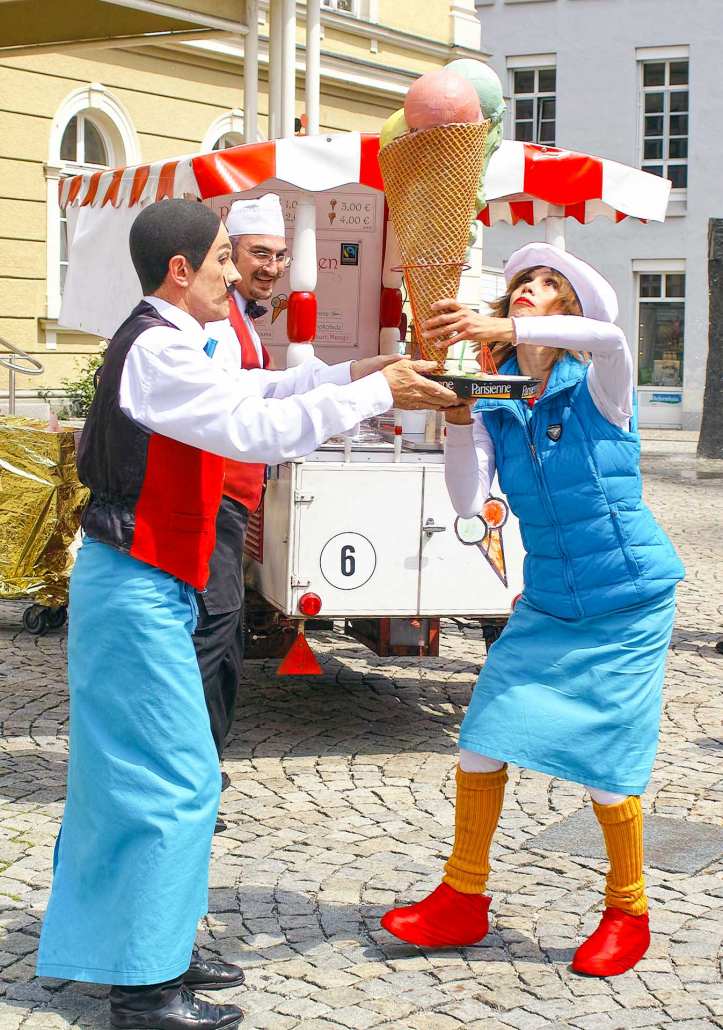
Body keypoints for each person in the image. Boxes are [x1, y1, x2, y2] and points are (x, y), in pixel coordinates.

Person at [35, 198, 459, 1030]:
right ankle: (146, 993)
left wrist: (357, 372)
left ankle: (142, 953)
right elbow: (254, 426)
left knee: (133, 781)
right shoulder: (159, 349)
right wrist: (375, 388)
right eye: (226, 258)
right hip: (136, 586)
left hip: (145, 580)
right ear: (181, 270)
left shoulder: (171, 340)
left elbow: (261, 388)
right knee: (172, 780)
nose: (237, 273)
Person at [381, 243, 684, 977]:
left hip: (627, 600)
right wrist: (458, 412)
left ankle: (628, 911)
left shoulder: (602, 382)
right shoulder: (498, 399)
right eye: (521, 284)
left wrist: (496, 328)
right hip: (548, 601)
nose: (529, 292)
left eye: (547, 287)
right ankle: (461, 898)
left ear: (568, 314)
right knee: (480, 737)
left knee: (604, 769)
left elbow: (613, 338)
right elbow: (467, 503)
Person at [192, 195, 287, 825]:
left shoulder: (244, 320)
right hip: (216, 498)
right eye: (255, 254)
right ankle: (193, 777)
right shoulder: (221, 323)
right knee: (213, 643)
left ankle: (199, 772)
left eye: (278, 256)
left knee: (222, 644)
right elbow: (234, 411)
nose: (268, 267)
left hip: (233, 500)